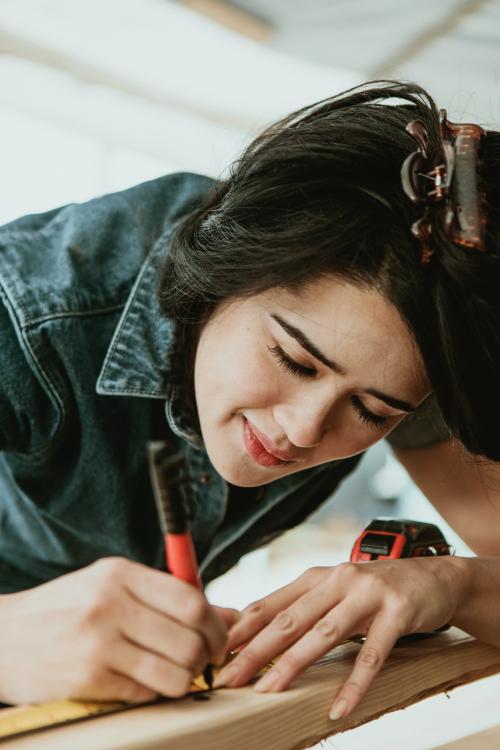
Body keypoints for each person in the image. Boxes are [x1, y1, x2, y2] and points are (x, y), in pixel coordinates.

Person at [0, 80, 499, 719]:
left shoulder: (415, 343)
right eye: (292, 360)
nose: (303, 430)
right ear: (224, 269)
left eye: (371, 412)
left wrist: (453, 584)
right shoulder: (29, 306)